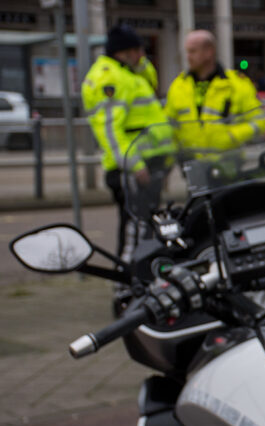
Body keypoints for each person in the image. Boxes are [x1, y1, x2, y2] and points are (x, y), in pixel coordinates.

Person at [81, 24, 174, 261]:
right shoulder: (110, 78)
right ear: (124, 51)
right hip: (133, 169)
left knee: (145, 229)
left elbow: (150, 83)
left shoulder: (130, 73)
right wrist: (134, 164)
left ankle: (141, 280)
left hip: (148, 165)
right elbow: (109, 130)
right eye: (138, 50)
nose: (143, 55)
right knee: (135, 231)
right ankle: (126, 285)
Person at [165, 30, 265, 160]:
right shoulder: (179, 85)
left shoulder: (237, 84)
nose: (188, 57)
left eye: (193, 51)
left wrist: (232, 136)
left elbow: (260, 122)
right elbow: (168, 125)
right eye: (187, 51)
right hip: (192, 165)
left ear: (209, 52)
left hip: (228, 163)